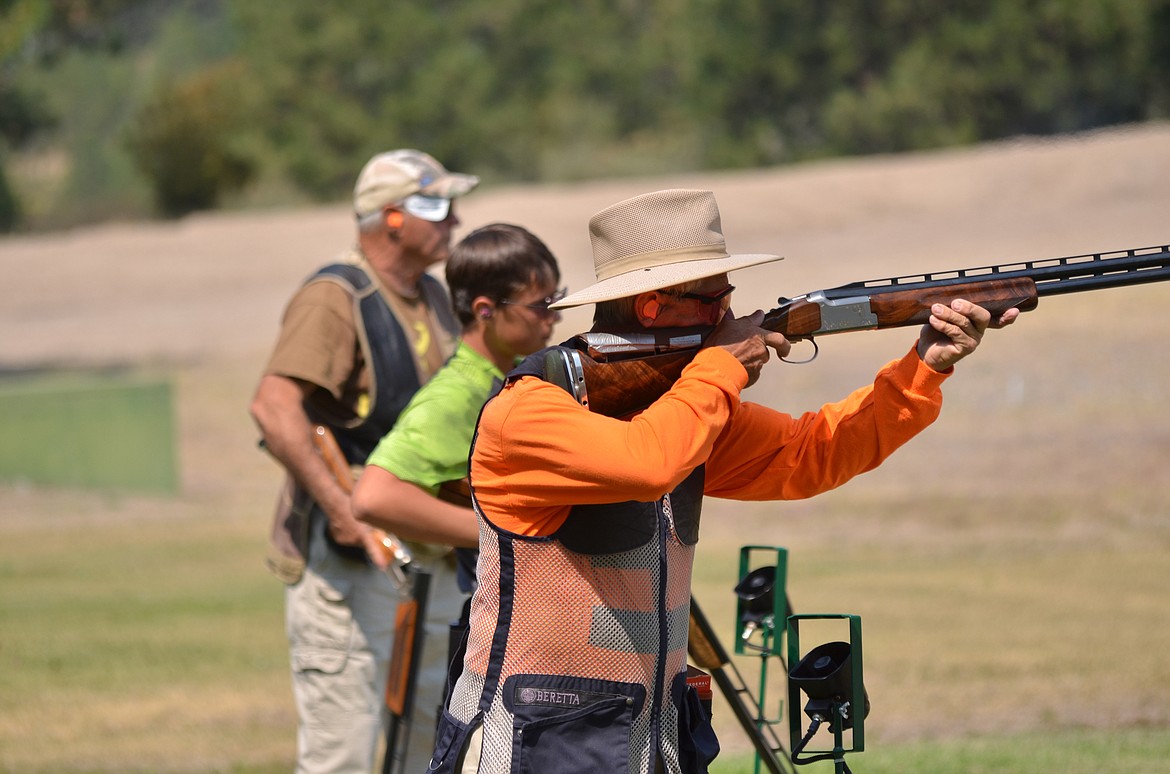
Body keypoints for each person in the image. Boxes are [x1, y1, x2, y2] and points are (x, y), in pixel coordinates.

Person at [429, 188, 1020, 774]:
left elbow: (814, 453)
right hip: (533, 744)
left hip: (647, 742)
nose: (730, 317)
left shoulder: (684, 408)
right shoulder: (527, 412)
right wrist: (721, 365)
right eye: (713, 300)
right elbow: (647, 462)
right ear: (653, 308)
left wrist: (923, 368)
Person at [249, 148, 478, 774]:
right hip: (351, 565)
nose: (454, 220)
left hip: (427, 563)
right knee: (343, 758)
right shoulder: (335, 295)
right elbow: (275, 408)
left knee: (426, 752)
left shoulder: (432, 294)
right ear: (392, 219)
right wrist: (345, 512)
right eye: (438, 206)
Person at [350, 223, 563, 771]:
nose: (553, 318)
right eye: (542, 304)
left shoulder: (507, 377)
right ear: (487, 309)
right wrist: (497, 531)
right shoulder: (458, 393)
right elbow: (374, 497)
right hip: (455, 614)